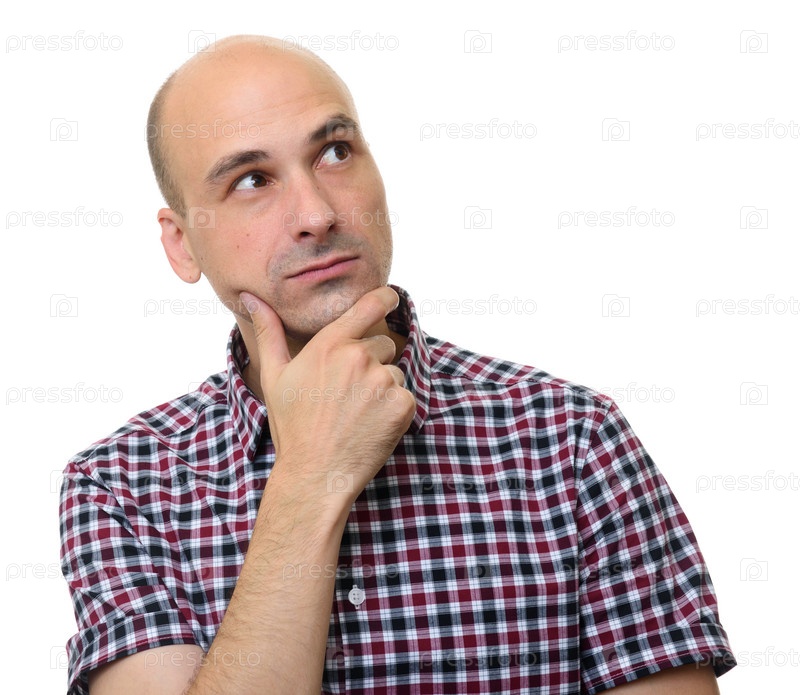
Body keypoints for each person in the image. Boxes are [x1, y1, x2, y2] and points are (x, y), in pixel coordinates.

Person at [59, 35, 735, 694]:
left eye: (334, 151)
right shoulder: (120, 488)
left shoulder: (573, 439)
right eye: (252, 180)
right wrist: (308, 482)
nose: (317, 214)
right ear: (182, 244)